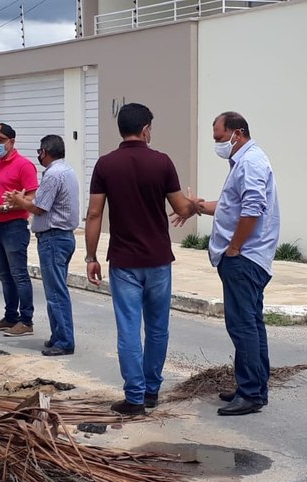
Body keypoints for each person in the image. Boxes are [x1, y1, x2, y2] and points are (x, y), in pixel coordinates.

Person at [85, 103, 199, 415]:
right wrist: (190, 205)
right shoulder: (162, 162)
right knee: (158, 329)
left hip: (124, 262)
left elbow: (94, 214)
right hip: (159, 260)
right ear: (146, 129)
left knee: (129, 330)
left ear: (121, 129)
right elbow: (181, 207)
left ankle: (134, 398)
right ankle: (151, 391)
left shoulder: (105, 165)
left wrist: (91, 256)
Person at [197, 111, 280, 416]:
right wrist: (201, 208)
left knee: (243, 325)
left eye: (219, 137)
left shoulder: (250, 161)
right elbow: (233, 205)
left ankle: (250, 393)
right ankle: (254, 386)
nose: (217, 144)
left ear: (238, 133)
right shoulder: (244, 162)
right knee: (251, 324)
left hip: (244, 259)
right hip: (246, 257)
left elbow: (253, 207)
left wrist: (234, 247)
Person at [6, 135, 79, 356]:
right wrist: (24, 200)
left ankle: (65, 340)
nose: (38, 155)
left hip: (53, 238)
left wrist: (20, 201)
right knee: (55, 290)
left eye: (39, 151)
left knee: (56, 292)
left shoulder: (53, 174)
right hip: (62, 237)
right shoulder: (67, 171)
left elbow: (40, 207)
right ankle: (58, 335)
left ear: (45, 152)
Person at [0, 123, 39, 337]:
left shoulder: (24, 166)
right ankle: (10, 317)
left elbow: (32, 199)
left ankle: (26, 320)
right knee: (4, 274)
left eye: (0, 140)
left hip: (14, 226)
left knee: (19, 274)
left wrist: (6, 207)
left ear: (12, 142)